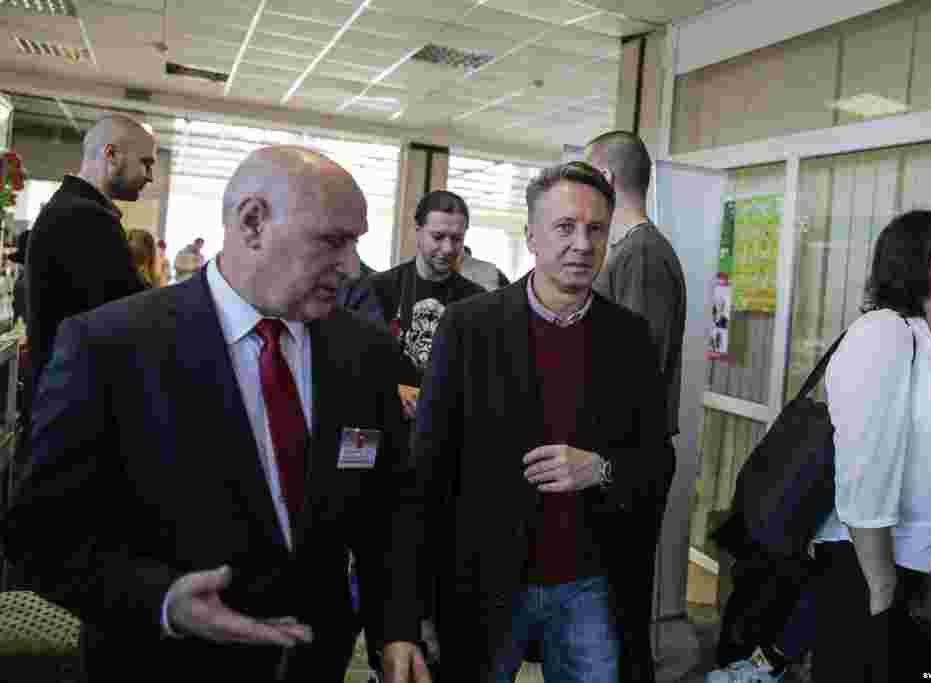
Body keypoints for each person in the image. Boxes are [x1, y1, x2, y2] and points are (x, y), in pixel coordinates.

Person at [1, 146, 430, 682]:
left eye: (355, 243)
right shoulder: (111, 346)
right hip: (162, 666)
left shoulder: (364, 351)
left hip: (315, 663)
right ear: (252, 222)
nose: (349, 266)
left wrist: (395, 628)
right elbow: (40, 534)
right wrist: (161, 599)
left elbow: (388, 505)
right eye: (331, 241)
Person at [407, 161, 676, 682]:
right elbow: (428, 466)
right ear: (532, 236)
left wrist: (601, 469)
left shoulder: (629, 337)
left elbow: (657, 461)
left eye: (595, 229)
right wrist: (415, 602)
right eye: (565, 227)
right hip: (484, 581)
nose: (582, 244)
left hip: (590, 583)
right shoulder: (469, 328)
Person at [810, 210, 931, 681]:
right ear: (912, 267)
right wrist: (882, 590)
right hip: (877, 572)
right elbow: (865, 464)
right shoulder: (886, 332)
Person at [25, 114, 150, 396]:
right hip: (74, 399)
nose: (150, 176)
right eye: (146, 163)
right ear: (111, 154)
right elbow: (132, 309)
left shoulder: (71, 205)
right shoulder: (85, 215)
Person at [585, 131, 686, 437]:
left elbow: (638, 364)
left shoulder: (641, 253)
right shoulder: (627, 249)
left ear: (605, 178)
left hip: (627, 443)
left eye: (586, 177)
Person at [355, 190, 484, 418]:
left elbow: (478, 373)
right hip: (386, 420)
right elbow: (360, 360)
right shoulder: (378, 289)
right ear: (418, 231)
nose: (448, 248)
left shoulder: (476, 300)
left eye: (456, 239)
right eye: (438, 237)